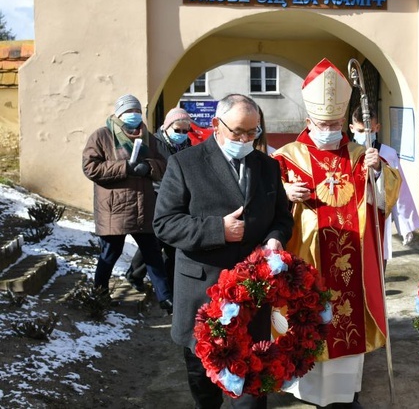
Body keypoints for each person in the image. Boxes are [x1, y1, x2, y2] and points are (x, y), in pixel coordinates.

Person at [272, 59, 401, 408]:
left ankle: (346, 395)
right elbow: (265, 203)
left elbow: (384, 200)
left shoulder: (362, 156)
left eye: (334, 123)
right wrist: (283, 193)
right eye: (322, 123)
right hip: (307, 260)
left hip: (351, 266)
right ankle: (307, 393)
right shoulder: (287, 158)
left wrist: (377, 174)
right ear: (308, 121)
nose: (329, 128)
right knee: (308, 322)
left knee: (346, 326)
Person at [153, 94, 293, 409]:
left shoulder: (267, 166)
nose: (245, 140)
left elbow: (282, 218)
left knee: (251, 395)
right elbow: (164, 224)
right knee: (206, 394)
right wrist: (218, 230)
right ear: (216, 125)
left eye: (252, 132)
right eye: (237, 132)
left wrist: (274, 238)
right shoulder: (184, 163)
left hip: (252, 298)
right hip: (202, 296)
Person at [82, 94, 173, 313]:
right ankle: (100, 295)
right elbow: (91, 168)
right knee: (109, 254)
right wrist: (125, 167)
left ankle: (166, 299)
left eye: (137, 112)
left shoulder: (148, 138)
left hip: (143, 207)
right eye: (129, 112)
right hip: (115, 208)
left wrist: (148, 167)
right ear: (119, 114)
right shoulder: (102, 136)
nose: (134, 116)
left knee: (153, 256)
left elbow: (163, 163)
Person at [125, 106, 192, 292]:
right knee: (156, 241)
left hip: (178, 198)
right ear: (166, 127)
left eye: (185, 131)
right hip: (156, 196)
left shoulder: (186, 145)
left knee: (169, 242)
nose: (182, 134)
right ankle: (135, 274)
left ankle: (168, 285)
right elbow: (145, 166)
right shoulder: (154, 143)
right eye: (177, 130)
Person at [350, 105, 419, 252]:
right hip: (351, 217)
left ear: (377, 128)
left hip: (378, 216)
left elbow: (399, 190)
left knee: (378, 257)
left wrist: (405, 224)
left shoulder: (388, 154)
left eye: (369, 131)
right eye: (360, 131)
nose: (365, 135)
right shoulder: (346, 153)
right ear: (351, 128)